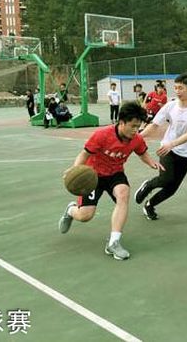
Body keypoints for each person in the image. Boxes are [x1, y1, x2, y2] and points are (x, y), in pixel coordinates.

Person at [58, 102, 164, 260]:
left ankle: (114, 243)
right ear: (121, 122)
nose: (136, 130)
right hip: (93, 176)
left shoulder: (136, 139)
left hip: (115, 174)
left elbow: (142, 153)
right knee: (85, 216)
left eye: (138, 126)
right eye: (133, 126)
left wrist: (151, 162)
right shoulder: (102, 135)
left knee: (123, 194)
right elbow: (84, 154)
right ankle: (71, 211)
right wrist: (75, 169)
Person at [134, 74, 187, 220]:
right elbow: (154, 125)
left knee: (172, 188)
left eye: (181, 88)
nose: (177, 91)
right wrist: (138, 137)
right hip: (167, 149)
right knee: (166, 179)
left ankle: (150, 205)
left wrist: (173, 143)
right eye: (176, 88)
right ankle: (148, 185)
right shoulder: (171, 105)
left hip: (186, 153)